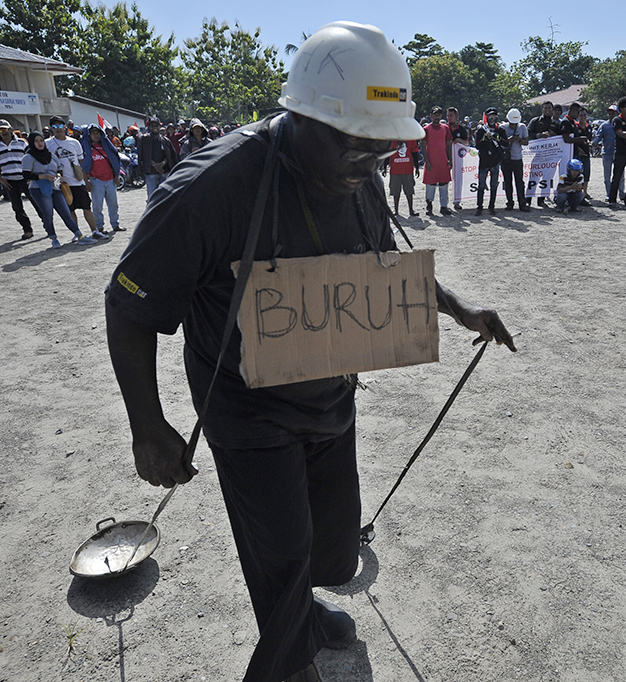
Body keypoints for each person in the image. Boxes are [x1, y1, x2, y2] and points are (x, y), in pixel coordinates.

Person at [104, 22, 517, 682]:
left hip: (330, 392)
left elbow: (380, 262)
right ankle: (285, 664)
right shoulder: (211, 188)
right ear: (300, 117)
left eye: (381, 149)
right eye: (354, 144)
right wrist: (147, 427)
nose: (370, 163)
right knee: (284, 555)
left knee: (331, 553)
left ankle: (305, 615)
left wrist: (459, 308)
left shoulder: (362, 176)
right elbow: (128, 307)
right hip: (247, 407)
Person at [21, 131, 91, 248]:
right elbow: (26, 175)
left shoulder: (51, 155)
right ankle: (54, 239)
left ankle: (80, 236)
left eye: (41, 140)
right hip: (38, 189)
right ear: (32, 143)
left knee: (66, 212)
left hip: (55, 187)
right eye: (36, 141)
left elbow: (59, 169)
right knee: (48, 214)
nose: (40, 143)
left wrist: (58, 175)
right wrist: (43, 176)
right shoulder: (28, 157)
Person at [47, 116, 108, 241]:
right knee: (70, 210)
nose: (58, 129)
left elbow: (81, 163)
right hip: (62, 184)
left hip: (78, 181)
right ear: (51, 129)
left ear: (65, 127)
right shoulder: (48, 144)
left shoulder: (74, 142)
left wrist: (86, 180)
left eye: (60, 126)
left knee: (87, 207)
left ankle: (95, 231)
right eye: (54, 127)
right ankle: (77, 233)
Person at [0, 120, 43, 240]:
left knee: (37, 202)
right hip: (9, 181)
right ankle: (27, 229)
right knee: (17, 207)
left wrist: (31, 175)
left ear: (11, 129)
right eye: (1, 130)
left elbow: (32, 158)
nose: (4, 132)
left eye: (5, 129)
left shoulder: (22, 143)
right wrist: (1, 179)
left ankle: (47, 225)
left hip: (25, 178)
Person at [82, 124, 122, 233]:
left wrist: (117, 176)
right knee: (97, 206)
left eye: (97, 133)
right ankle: (99, 227)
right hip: (96, 180)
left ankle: (115, 224)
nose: (96, 135)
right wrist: (87, 182)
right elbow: (83, 167)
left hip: (109, 179)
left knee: (113, 204)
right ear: (88, 135)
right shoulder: (86, 149)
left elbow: (114, 161)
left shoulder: (106, 146)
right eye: (93, 133)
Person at [558, 103, 592, 206]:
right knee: (569, 177)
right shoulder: (566, 122)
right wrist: (580, 139)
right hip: (568, 155)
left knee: (579, 176)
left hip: (575, 152)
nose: (578, 115)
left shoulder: (572, 122)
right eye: (577, 112)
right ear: (572, 110)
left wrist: (578, 148)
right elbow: (566, 139)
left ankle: (579, 197)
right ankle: (566, 198)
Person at [422, 106, 453, 216]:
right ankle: (429, 205)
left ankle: (444, 206)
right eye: (435, 114)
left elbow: (449, 145)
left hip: (443, 161)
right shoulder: (426, 129)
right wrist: (427, 161)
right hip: (431, 161)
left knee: (444, 184)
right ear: (431, 115)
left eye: (439, 114)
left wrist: (450, 159)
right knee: (430, 184)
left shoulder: (445, 128)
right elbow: (423, 147)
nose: (437, 116)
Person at [527, 101, 560, 207]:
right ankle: (528, 200)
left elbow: (561, 138)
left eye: (549, 108)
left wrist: (555, 135)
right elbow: (527, 134)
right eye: (545, 108)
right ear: (542, 109)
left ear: (552, 109)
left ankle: (541, 200)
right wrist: (539, 135)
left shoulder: (556, 123)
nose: (547, 110)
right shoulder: (535, 121)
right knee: (534, 177)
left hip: (551, 156)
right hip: (536, 155)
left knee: (547, 178)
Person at [138, 115, 179, 198]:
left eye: (156, 125)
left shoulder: (166, 141)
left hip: (164, 172)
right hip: (150, 172)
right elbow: (141, 155)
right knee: (152, 197)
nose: (154, 127)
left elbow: (171, 156)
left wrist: (163, 163)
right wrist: (154, 165)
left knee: (164, 197)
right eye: (152, 125)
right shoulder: (144, 139)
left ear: (160, 126)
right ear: (148, 127)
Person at [474, 107, 504, 216]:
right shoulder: (481, 130)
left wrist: (497, 138)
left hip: (495, 162)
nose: (492, 118)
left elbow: (506, 144)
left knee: (494, 186)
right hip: (484, 162)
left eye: (494, 116)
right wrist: (484, 139)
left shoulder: (500, 129)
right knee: (481, 185)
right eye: (490, 116)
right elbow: (477, 146)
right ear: (486, 117)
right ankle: (479, 207)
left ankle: (492, 207)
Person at [499, 108, 529, 211]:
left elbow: (526, 141)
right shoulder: (502, 128)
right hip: (506, 159)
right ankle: (510, 203)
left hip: (517, 158)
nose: (514, 126)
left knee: (519, 182)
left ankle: (522, 203)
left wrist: (519, 140)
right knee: (507, 182)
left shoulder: (522, 127)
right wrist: (508, 140)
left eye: (515, 123)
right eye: (512, 123)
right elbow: (499, 142)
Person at [386, 138, 420, 216]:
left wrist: (417, 167)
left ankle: (411, 210)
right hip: (395, 170)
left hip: (407, 170)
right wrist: (385, 166)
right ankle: (396, 211)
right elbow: (387, 153)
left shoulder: (410, 139)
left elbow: (415, 153)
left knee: (409, 191)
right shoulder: (391, 140)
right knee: (395, 191)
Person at [597, 104, 623, 202]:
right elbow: (598, 136)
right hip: (607, 153)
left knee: (620, 175)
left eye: (613, 113)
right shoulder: (604, 125)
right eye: (609, 113)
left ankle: (621, 194)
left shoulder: (621, 124)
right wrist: (593, 142)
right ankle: (609, 195)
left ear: (617, 113)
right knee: (607, 176)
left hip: (619, 153)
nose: (611, 115)